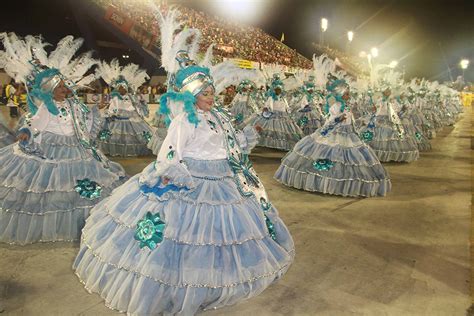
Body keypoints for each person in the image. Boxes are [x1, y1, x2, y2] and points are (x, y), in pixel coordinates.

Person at [74, 11, 294, 313]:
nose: (211, 96)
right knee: (186, 236)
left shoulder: (218, 116)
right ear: (192, 95)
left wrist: (250, 134)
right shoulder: (184, 121)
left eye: (212, 90)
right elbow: (170, 153)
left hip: (225, 180)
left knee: (223, 235)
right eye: (204, 92)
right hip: (193, 179)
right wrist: (170, 175)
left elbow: (231, 145)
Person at [0, 33, 127, 244]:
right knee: (55, 186)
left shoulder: (72, 104)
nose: (64, 90)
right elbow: (34, 123)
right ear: (50, 89)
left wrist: (97, 111)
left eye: (65, 86)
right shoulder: (46, 106)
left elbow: (83, 119)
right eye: (59, 88)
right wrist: (26, 132)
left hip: (75, 146)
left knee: (77, 184)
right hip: (52, 148)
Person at [275, 76, 391, 197]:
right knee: (335, 156)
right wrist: (338, 119)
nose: (348, 96)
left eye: (348, 94)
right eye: (346, 94)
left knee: (350, 159)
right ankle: (326, 182)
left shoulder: (345, 105)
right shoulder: (336, 106)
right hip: (334, 134)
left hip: (348, 134)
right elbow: (330, 121)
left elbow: (351, 120)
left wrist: (360, 122)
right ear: (340, 95)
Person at [96, 60, 154, 157]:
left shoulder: (132, 97)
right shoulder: (113, 96)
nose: (121, 89)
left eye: (123, 87)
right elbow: (109, 108)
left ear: (127, 88)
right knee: (114, 137)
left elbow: (138, 107)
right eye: (120, 88)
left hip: (131, 121)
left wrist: (141, 102)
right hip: (117, 120)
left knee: (134, 138)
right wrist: (109, 113)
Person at [246, 74, 304, 151]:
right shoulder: (271, 98)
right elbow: (267, 105)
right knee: (271, 129)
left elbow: (287, 107)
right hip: (273, 115)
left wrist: (290, 112)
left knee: (284, 131)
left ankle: (282, 145)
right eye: (277, 90)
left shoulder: (283, 99)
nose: (278, 91)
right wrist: (266, 110)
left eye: (279, 90)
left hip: (283, 116)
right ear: (274, 90)